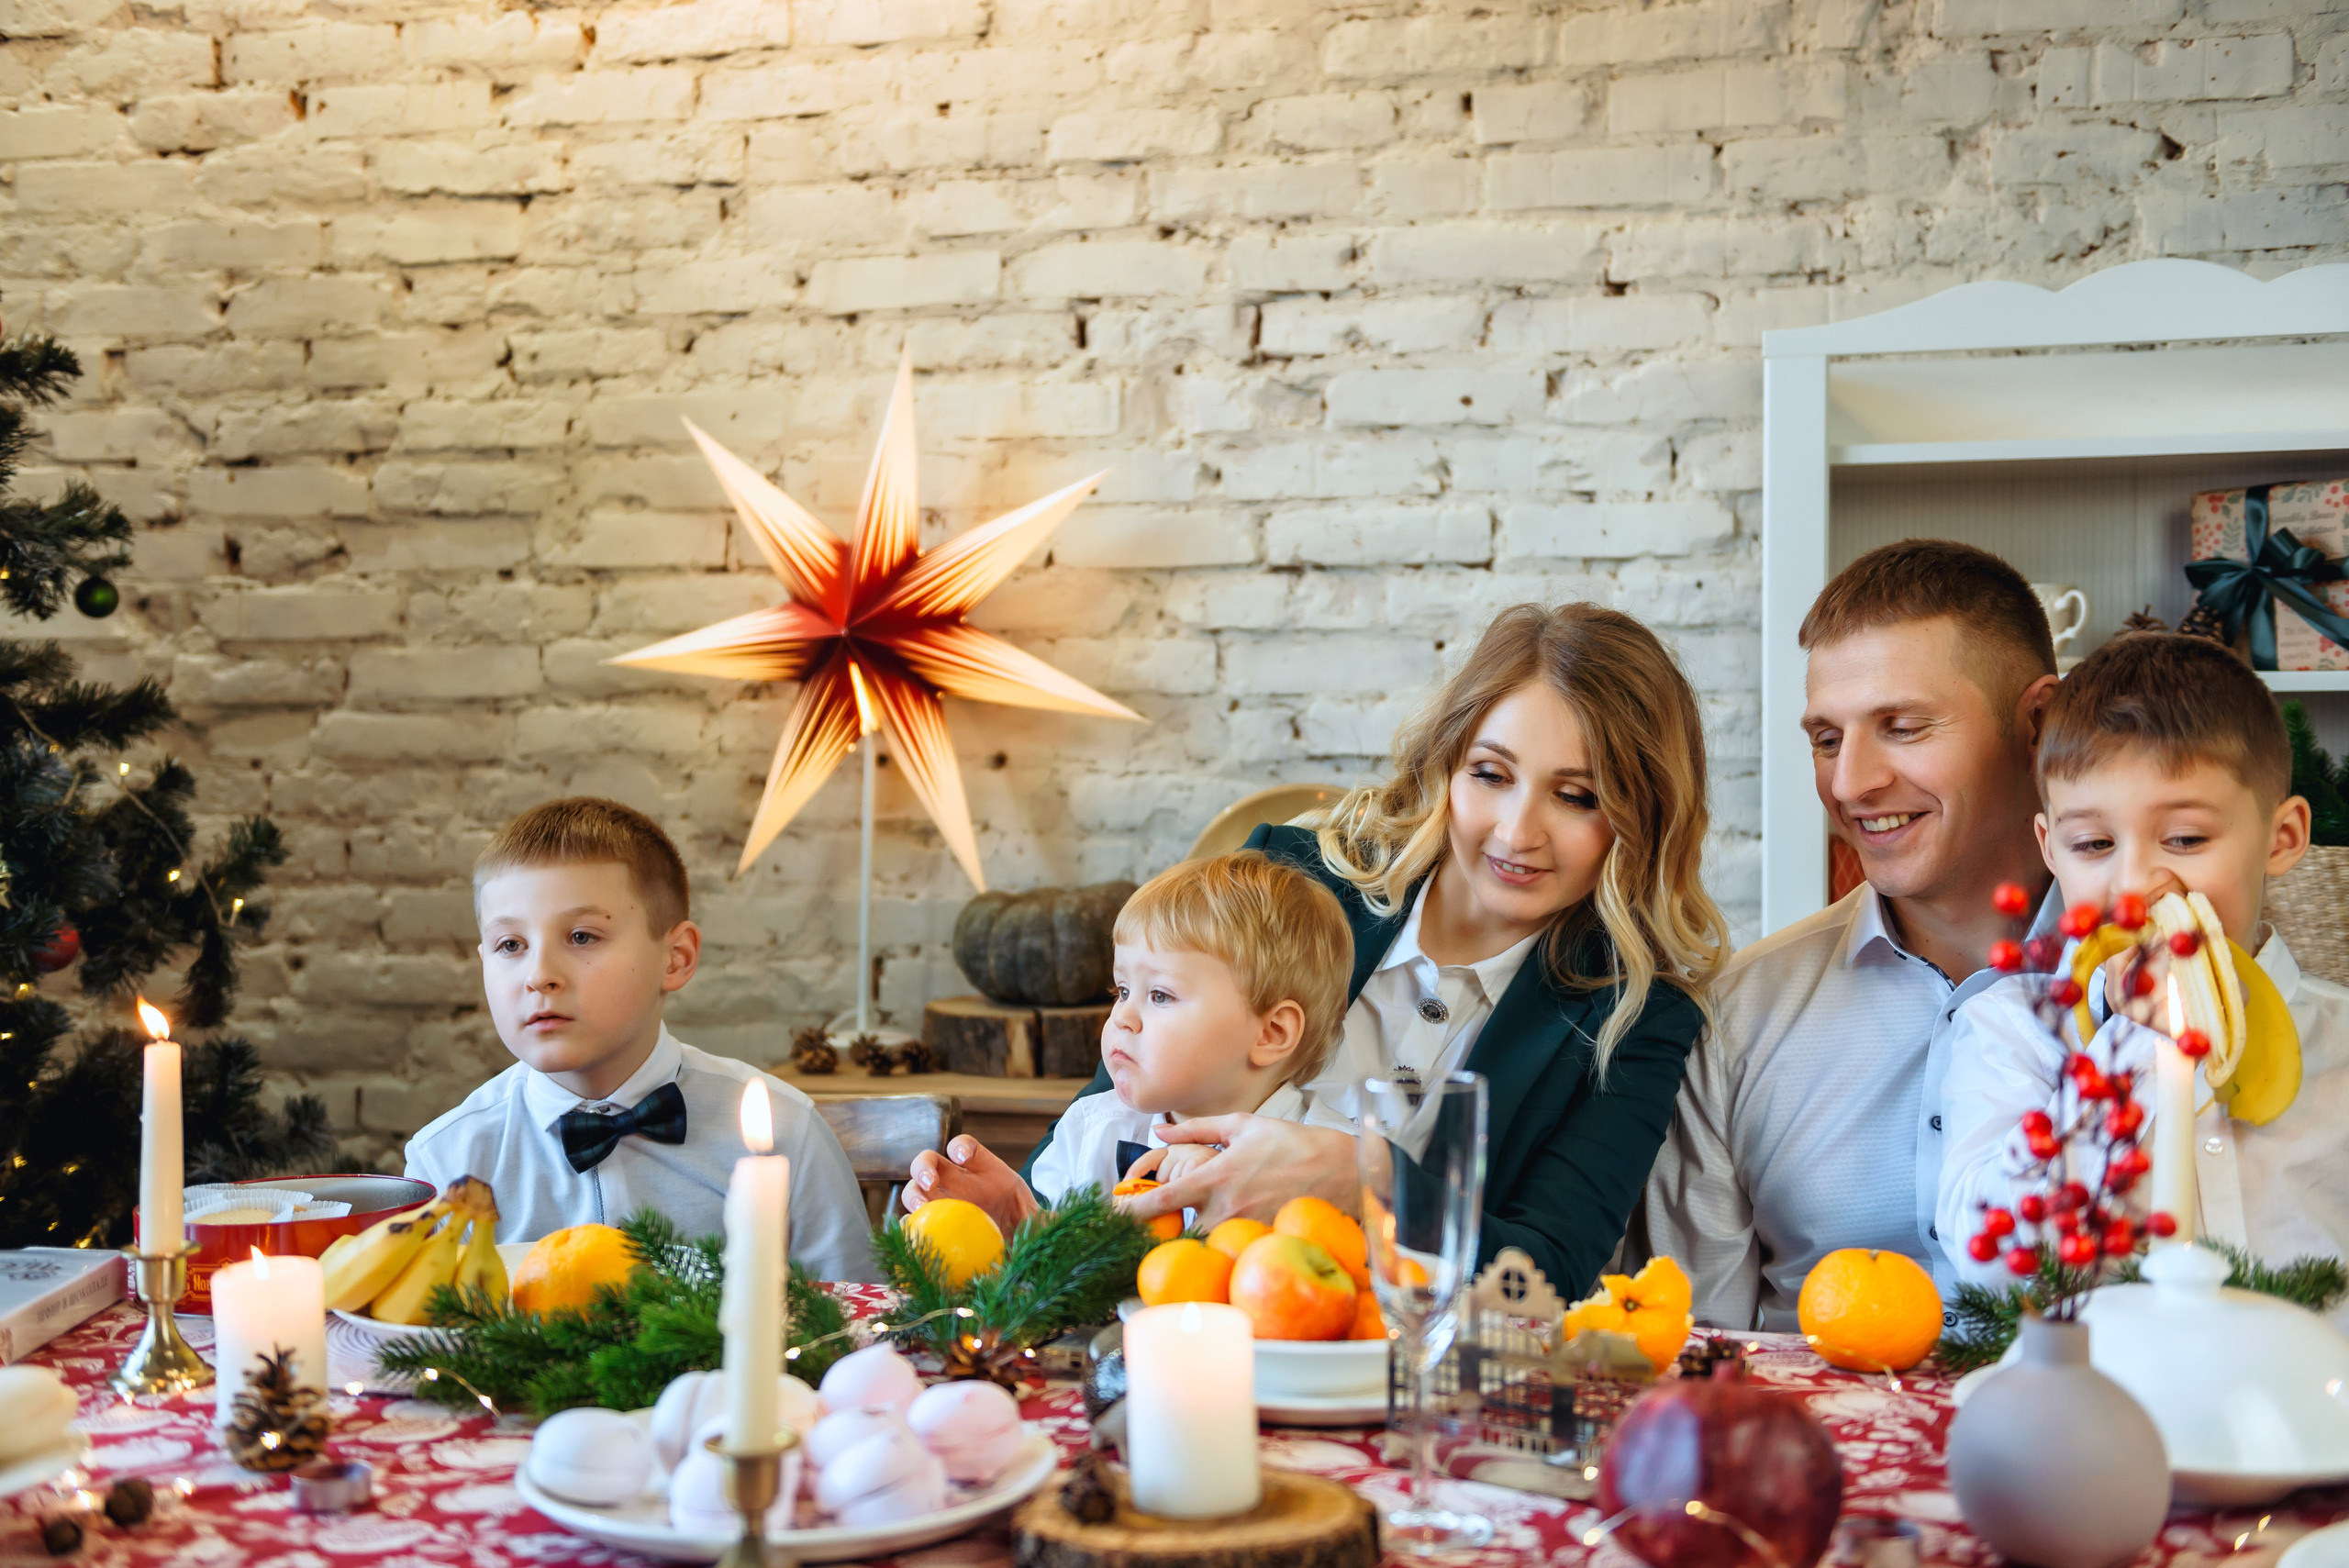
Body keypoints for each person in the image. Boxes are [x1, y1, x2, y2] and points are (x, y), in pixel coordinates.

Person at [912, 602, 1726, 1299]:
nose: (1517, 831)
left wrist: (1366, 1179)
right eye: (1490, 773)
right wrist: (1023, 1218)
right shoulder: (1290, 879)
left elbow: (1548, 1273)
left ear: (1640, 815)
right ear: (1447, 764)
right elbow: (1126, 1107)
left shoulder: (1635, 1017)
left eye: (1576, 796)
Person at [1641, 541, 2065, 1330]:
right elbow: (1692, 1351)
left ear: (2037, 723)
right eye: (1826, 739)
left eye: (1901, 727)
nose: (1849, 783)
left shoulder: (2163, 1001)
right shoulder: (1737, 1018)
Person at [1936, 634, 2349, 1315]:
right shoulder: (2012, 1031)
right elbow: (1994, 1265)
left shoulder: (2337, 1044)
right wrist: (2131, 1043)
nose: (2133, 883)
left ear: (2283, 838)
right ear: (2050, 849)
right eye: (2094, 844)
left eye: (2185, 839)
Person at [404, 797, 875, 1280]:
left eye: (582, 937)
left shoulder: (786, 1133)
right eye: (511, 945)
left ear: (675, 959)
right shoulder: (447, 1160)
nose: (540, 975)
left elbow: (860, 1325)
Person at [1022, 851, 1353, 1205]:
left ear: (1271, 1033)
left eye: (1160, 995)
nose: (1122, 1017)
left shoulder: (1335, 1168)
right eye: (1123, 990)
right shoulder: (1089, 1131)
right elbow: (1043, 1252)